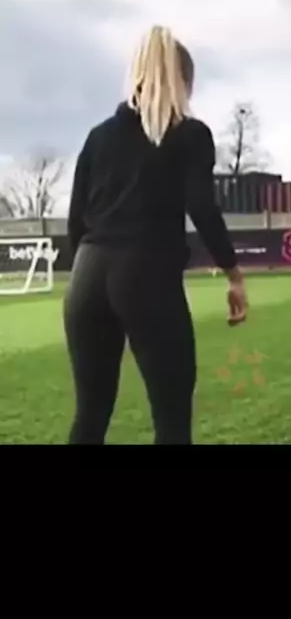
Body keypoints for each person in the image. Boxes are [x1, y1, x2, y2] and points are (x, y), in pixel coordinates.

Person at [64, 25, 248, 444]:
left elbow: (76, 221)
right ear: (183, 81)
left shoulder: (98, 137)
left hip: (87, 276)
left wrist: (91, 273)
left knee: (90, 415)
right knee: (171, 420)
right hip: (146, 273)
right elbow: (202, 209)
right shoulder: (190, 134)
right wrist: (233, 274)